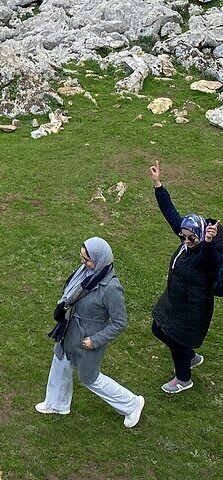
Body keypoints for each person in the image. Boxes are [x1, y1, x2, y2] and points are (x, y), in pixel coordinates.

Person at [36, 237, 145, 428]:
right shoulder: (86, 273)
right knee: (60, 360)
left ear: (100, 259)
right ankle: (56, 404)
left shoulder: (111, 288)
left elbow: (120, 323)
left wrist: (95, 340)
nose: (83, 263)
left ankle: (131, 403)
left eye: (87, 259)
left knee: (90, 378)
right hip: (70, 330)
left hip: (87, 339)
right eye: (82, 258)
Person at [147, 161, 220, 393]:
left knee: (176, 340)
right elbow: (171, 214)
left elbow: (208, 258)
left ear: (200, 236)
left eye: (191, 238)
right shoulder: (187, 242)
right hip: (176, 302)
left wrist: (207, 243)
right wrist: (158, 185)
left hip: (192, 310)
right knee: (158, 329)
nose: (186, 241)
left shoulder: (204, 256)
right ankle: (189, 356)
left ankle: (183, 378)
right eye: (183, 236)